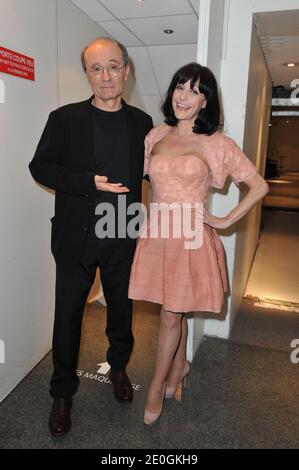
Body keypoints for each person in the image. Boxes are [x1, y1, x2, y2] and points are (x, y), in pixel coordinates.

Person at [128, 62, 269, 425]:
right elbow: (151, 183)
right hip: (159, 234)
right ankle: (181, 366)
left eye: (194, 90)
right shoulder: (156, 136)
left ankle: (157, 387)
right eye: (179, 86)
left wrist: (224, 220)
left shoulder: (217, 144)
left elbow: (259, 186)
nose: (183, 96)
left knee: (170, 314)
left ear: (206, 102)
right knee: (176, 307)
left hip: (191, 238)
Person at [29, 37, 153, 436]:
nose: (106, 76)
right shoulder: (64, 118)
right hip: (76, 238)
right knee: (67, 317)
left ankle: (118, 368)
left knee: (121, 311)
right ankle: (62, 393)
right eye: (96, 68)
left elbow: (152, 173)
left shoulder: (142, 123)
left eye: (113, 66)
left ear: (126, 71)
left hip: (122, 234)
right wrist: (86, 182)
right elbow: (41, 166)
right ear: (87, 74)